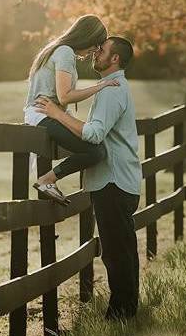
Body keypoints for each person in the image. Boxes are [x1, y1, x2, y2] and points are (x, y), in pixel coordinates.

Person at [35, 36, 142, 320]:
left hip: (112, 182)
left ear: (115, 59)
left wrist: (57, 114)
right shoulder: (116, 87)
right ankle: (128, 311)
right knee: (124, 250)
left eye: (102, 50)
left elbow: (94, 135)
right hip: (121, 180)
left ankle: (120, 316)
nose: (96, 53)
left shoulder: (111, 91)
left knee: (116, 253)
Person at [24, 14, 120, 205]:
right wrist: (101, 85)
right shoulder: (65, 52)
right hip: (44, 115)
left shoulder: (57, 49)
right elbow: (65, 96)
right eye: (95, 45)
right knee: (95, 152)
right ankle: (47, 180)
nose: (95, 51)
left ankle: (47, 179)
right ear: (87, 37)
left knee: (96, 148)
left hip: (47, 114)